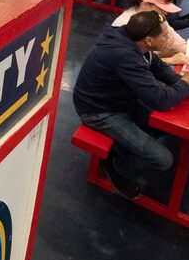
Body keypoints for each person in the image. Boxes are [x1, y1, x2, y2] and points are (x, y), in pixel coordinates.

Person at [74, 11, 188, 199]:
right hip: (99, 111)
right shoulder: (125, 56)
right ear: (150, 40)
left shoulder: (135, 42)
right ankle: (115, 165)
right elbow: (160, 100)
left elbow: (159, 69)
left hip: (118, 101)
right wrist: (184, 84)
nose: (169, 38)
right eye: (165, 36)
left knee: (167, 128)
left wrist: (181, 83)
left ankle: (124, 148)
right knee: (163, 159)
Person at [112, 0, 189, 63]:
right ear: (145, 4)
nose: (166, 13)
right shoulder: (125, 24)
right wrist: (171, 60)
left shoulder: (156, 15)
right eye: (161, 8)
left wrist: (186, 50)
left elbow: (173, 38)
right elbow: (131, 62)